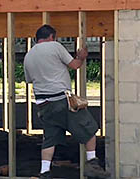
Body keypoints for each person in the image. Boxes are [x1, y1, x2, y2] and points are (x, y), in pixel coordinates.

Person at [23, 25, 110, 179]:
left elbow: (29, 80)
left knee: (49, 138)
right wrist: (81, 56)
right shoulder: (55, 46)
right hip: (61, 100)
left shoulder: (28, 56)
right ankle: (92, 164)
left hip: (43, 104)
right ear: (51, 37)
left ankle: (44, 172)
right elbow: (75, 65)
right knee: (89, 128)